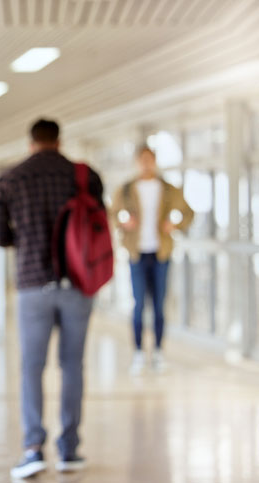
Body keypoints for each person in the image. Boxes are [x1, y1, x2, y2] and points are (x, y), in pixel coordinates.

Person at [0, 119, 105, 479]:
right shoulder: (84, 175)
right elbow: (99, 223)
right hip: (77, 283)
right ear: (59, 140)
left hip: (31, 284)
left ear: (31, 142)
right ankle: (69, 449)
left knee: (32, 368)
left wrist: (23, 241)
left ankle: (33, 448)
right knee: (72, 366)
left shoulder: (10, 178)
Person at [111, 146, 194, 375]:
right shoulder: (127, 189)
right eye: (142, 160)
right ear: (137, 162)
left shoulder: (168, 189)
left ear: (155, 161)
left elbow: (188, 213)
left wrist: (174, 225)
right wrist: (123, 222)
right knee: (138, 305)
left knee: (159, 304)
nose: (146, 164)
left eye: (150, 160)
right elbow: (112, 213)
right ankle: (138, 352)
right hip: (137, 253)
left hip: (161, 253)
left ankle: (158, 351)